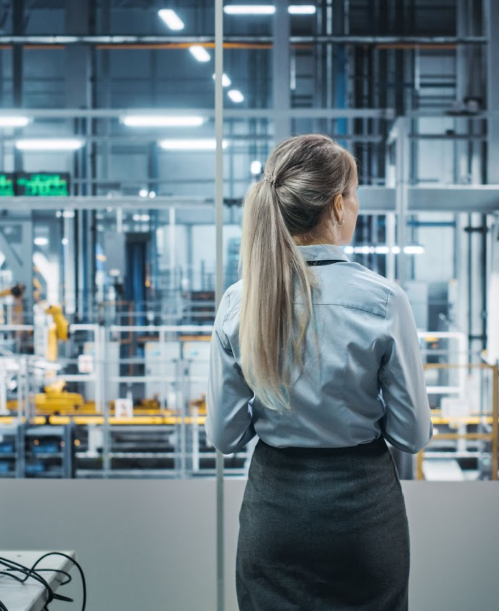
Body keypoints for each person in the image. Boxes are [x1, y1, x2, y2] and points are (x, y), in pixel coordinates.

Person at [206, 133, 433, 611]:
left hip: (274, 511)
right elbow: (411, 435)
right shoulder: (383, 300)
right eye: (354, 194)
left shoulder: (239, 301)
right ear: (337, 204)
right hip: (363, 515)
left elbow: (226, 437)